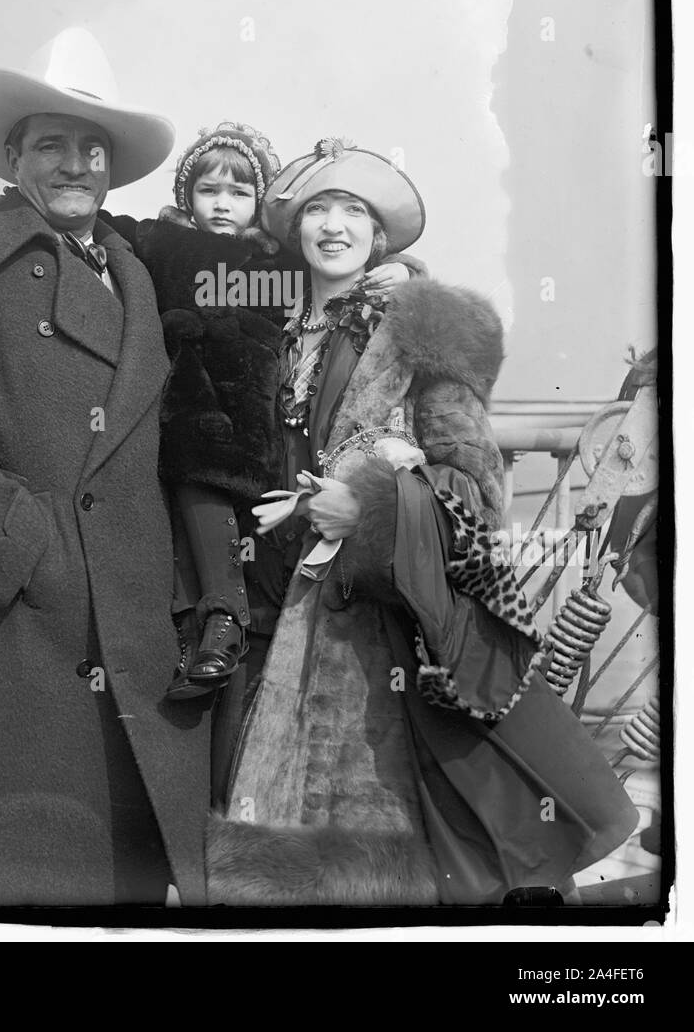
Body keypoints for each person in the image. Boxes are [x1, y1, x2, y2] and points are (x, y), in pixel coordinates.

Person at [206, 138, 639, 905]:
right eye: (317, 208)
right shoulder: (276, 330)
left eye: (354, 211)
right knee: (274, 850)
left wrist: (365, 508)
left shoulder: (420, 329)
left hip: (383, 635)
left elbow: (474, 484)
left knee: (386, 856)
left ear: (381, 234)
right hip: (276, 619)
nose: (333, 225)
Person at [0, 28, 212, 908]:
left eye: (92, 147)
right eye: (52, 144)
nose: (75, 163)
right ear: (13, 155)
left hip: (141, 623)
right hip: (30, 632)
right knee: (28, 872)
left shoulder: (133, 271)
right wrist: (26, 547)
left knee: (124, 883)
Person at [101, 123, 414, 701]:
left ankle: (222, 625)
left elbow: (349, 263)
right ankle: (209, 625)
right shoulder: (163, 244)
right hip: (190, 405)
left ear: (261, 203)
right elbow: (102, 226)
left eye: (240, 192)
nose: (223, 205)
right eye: (208, 190)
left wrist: (410, 270)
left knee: (228, 506)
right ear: (185, 196)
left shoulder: (278, 263)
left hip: (256, 414)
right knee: (195, 495)